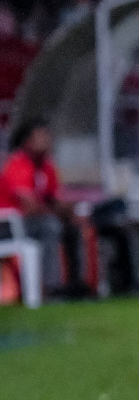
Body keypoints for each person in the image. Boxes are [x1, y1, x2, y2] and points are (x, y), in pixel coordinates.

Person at [0, 119, 89, 297]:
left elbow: (54, 200)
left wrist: (70, 213)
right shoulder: (17, 165)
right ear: (27, 141)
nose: (47, 140)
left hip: (32, 222)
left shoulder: (46, 166)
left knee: (73, 226)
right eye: (41, 136)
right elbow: (30, 207)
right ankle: (51, 288)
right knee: (50, 225)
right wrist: (58, 211)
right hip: (8, 226)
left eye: (48, 136)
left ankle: (75, 285)